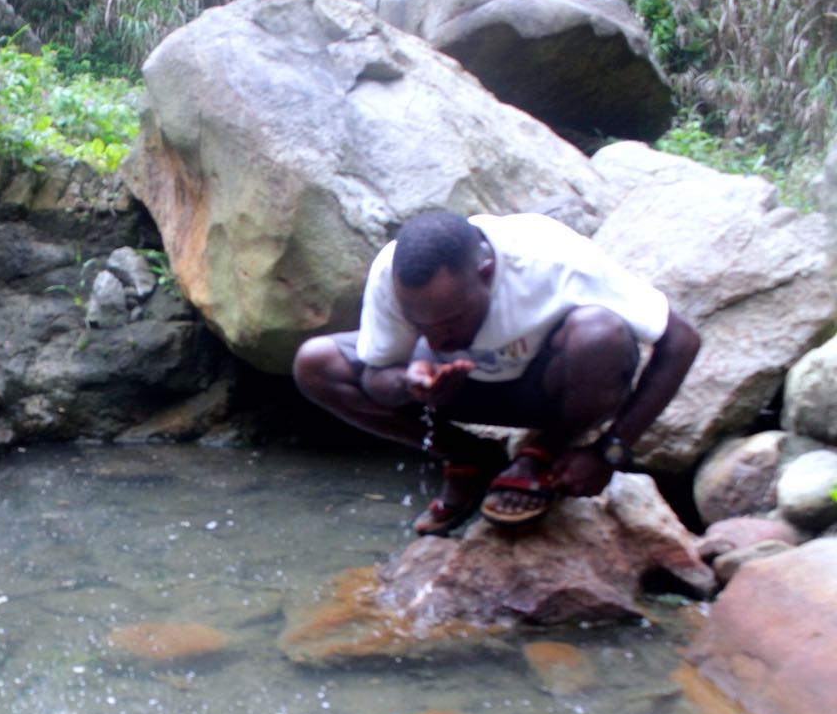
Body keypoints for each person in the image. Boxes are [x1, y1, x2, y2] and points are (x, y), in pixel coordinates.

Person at [292, 209, 700, 534]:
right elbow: (375, 380)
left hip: (544, 392)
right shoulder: (392, 276)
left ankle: (544, 451)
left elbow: (682, 341)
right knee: (315, 363)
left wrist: (609, 451)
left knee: (600, 335)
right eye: (421, 326)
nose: (436, 339)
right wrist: (410, 383)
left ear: (485, 274)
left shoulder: (553, 258)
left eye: (451, 321)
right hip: (457, 393)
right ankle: (468, 456)